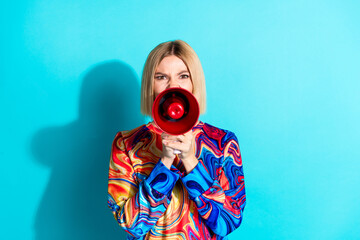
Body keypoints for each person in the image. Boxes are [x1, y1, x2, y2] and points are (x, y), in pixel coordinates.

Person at [107, 40, 246, 240]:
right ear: (150, 85)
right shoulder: (126, 143)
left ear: (194, 82)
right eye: (161, 77)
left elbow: (228, 221)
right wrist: (164, 162)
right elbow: (132, 226)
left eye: (183, 76)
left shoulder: (223, 143)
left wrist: (190, 161)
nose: (173, 85)